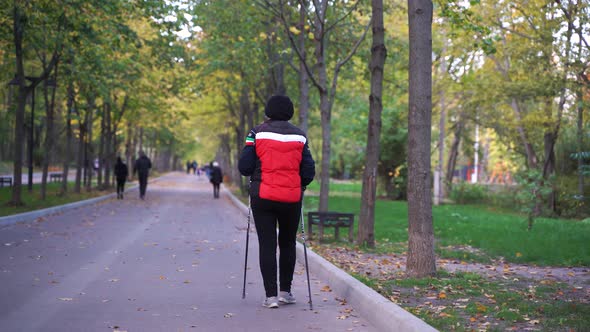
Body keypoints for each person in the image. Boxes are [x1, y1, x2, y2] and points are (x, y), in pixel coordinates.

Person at [238, 95, 315, 309]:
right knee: (288, 243)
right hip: (291, 198)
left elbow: (245, 166)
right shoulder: (300, 136)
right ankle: (285, 292)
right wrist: (301, 184)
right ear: (289, 111)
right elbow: (308, 170)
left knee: (267, 244)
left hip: (263, 196)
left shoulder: (256, 133)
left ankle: (270, 296)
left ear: (268, 111)